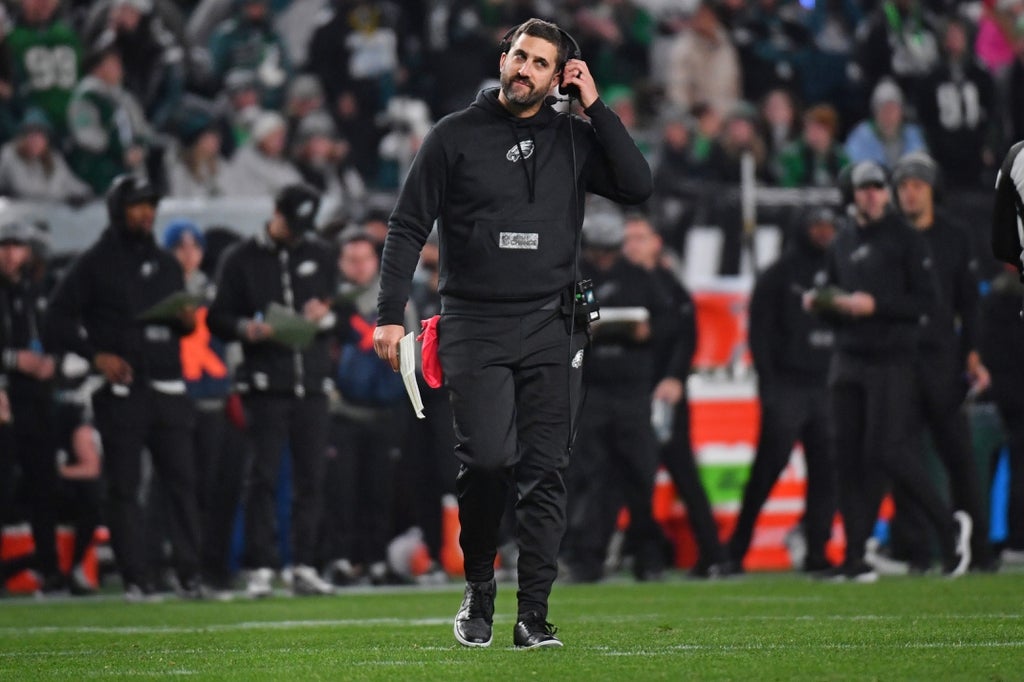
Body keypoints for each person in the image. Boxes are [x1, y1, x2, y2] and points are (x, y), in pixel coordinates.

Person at [372, 18, 651, 649]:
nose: (525, 69)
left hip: (555, 324)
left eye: (540, 63)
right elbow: (407, 225)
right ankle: (479, 584)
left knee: (546, 470)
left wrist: (595, 105)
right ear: (503, 58)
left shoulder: (575, 138)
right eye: (519, 56)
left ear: (559, 78)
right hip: (474, 322)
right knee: (488, 461)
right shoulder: (453, 135)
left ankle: (534, 615)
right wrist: (390, 313)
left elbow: (638, 185)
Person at [804, 160, 971, 581]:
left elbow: (927, 303)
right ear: (853, 194)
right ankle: (854, 556)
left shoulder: (906, 239)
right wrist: (823, 304)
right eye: (865, 188)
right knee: (847, 456)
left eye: (878, 187)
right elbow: (834, 297)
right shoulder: (843, 240)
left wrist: (876, 305)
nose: (872, 194)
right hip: (848, 357)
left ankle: (948, 527)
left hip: (891, 358)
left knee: (888, 451)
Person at [45, 174, 202, 601]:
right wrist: (95, 355)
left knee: (182, 483)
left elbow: (182, 325)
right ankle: (136, 577)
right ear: (118, 209)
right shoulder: (93, 263)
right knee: (125, 486)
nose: (147, 213)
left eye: (151, 204)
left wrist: (186, 322)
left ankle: (189, 574)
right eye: (137, 205)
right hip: (122, 389)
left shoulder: (167, 264)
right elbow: (55, 318)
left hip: (168, 386)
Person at [207, 183, 338, 598]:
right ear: (276, 212)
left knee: (312, 478)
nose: (298, 233)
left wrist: (325, 315)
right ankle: (260, 565)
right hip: (266, 383)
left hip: (311, 382)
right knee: (262, 476)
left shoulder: (320, 254)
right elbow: (217, 317)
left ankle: (304, 564)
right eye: (292, 223)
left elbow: (337, 306)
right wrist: (245, 328)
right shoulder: (240, 258)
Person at [883, 152, 996, 572]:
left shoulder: (955, 235)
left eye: (917, 185)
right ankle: (916, 550)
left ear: (932, 190)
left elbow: (969, 302)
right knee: (903, 457)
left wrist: (973, 353)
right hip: (899, 358)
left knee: (960, 457)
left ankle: (979, 549)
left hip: (943, 359)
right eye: (903, 187)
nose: (910, 194)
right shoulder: (888, 237)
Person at [726, 207, 838, 574]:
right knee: (767, 470)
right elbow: (759, 334)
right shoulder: (778, 274)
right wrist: (769, 387)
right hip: (789, 385)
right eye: (817, 225)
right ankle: (736, 550)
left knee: (826, 473)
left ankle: (818, 552)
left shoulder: (843, 269)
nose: (824, 232)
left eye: (830, 226)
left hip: (827, 384)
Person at [619, 213, 730, 578]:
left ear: (657, 243)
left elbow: (686, 335)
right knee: (631, 476)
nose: (632, 245)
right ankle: (640, 553)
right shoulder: (615, 282)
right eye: (627, 239)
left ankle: (712, 552)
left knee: (680, 472)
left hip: (664, 395)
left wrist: (674, 377)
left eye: (639, 237)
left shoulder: (669, 285)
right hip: (626, 393)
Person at [562, 211, 669, 584]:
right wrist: (585, 327)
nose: (604, 257)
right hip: (593, 389)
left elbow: (668, 323)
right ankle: (588, 558)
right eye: (598, 250)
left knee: (640, 474)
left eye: (609, 250)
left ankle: (647, 555)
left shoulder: (639, 278)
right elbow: (574, 320)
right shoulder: (580, 278)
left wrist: (647, 332)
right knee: (592, 477)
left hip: (632, 391)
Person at [0, 220, 63, 592]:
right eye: (4, 246)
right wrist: (13, 360)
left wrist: (53, 361)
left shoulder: (38, 291)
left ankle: (48, 567)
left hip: (38, 400)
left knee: (44, 486)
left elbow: (59, 334)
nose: (10, 254)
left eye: (16, 246)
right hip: (5, 401)